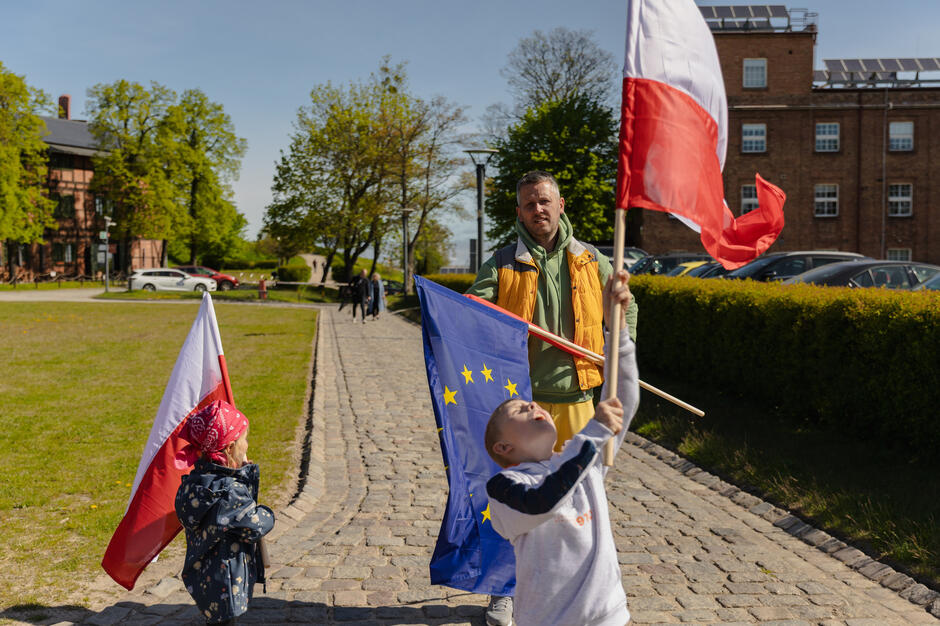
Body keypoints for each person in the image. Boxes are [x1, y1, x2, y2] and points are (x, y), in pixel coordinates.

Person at [466, 170, 638, 625]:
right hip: (527, 404)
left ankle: (588, 584)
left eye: (544, 201)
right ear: (519, 212)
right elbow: (472, 310)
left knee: (580, 496)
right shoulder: (505, 261)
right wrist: (486, 315)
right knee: (524, 502)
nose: (537, 210)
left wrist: (614, 351)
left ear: (560, 205)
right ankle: (507, 591)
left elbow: (626, 309)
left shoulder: (591, 258)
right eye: (528, 204)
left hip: (580, 396)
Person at [483, 271, 638, 626]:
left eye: (533, 405)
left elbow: (623, 400)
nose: (534, 407)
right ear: (504, 446)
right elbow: (544, 502)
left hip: (610, 615)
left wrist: (618, 329)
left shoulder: (585, 462)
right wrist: (592, 434)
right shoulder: (503, 490)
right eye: (521, 410)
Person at [175, 400, 275, 625]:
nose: (247, 445)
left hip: (205, 576)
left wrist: (240, 473)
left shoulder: (195, 483)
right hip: (229, 581)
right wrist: (267, 512)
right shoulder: (229, 493)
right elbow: (256, 525)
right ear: (229, 448)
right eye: (244, 440)